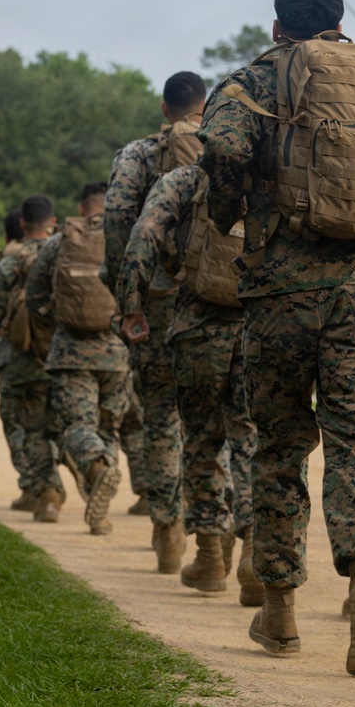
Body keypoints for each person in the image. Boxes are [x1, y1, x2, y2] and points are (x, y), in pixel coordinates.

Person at [199, 0, 355, 675]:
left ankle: (281, 608)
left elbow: (224, 146)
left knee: (280, 445)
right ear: (340, 18)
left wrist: (228, 209)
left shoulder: (257, 79)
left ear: (276, 25)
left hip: (280, 287)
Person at [117, 160, 259, 604]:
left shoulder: (185, 179)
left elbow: (144, 233)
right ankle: (257, 546)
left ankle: (210, 555)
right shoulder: (273, 169)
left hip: (196, 324)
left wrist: (131, 300)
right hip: (259, 324)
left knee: (200, 440)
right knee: (252, 439)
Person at [104, 71, 207, 556]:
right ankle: (224, 536)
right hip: (219, 300)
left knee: (161, 416)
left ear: (165, 110)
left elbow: (118, 221)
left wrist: (129, 299)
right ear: (202, 106)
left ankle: (168, 529)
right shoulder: (227, 144)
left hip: (159, 302)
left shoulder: (137, 155)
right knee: (223, 420)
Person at [27, 182, 131, 535]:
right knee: (108, 428)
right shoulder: (124, 238)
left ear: (81, 207)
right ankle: (99, 511)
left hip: (70, 352)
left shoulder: (59, 242)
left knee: (77, 427)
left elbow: (34, 294)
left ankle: (98, 469)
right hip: (117, 354)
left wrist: (55, 319)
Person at [0, 194, 65, 520]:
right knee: (76, 424)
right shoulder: (70, 252)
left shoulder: (10, 262)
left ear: (22, 225)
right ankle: (90, 462)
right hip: (73, 359)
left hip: (23, 359)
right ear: (54, 222)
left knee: (32, 429)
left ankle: (46, 492)